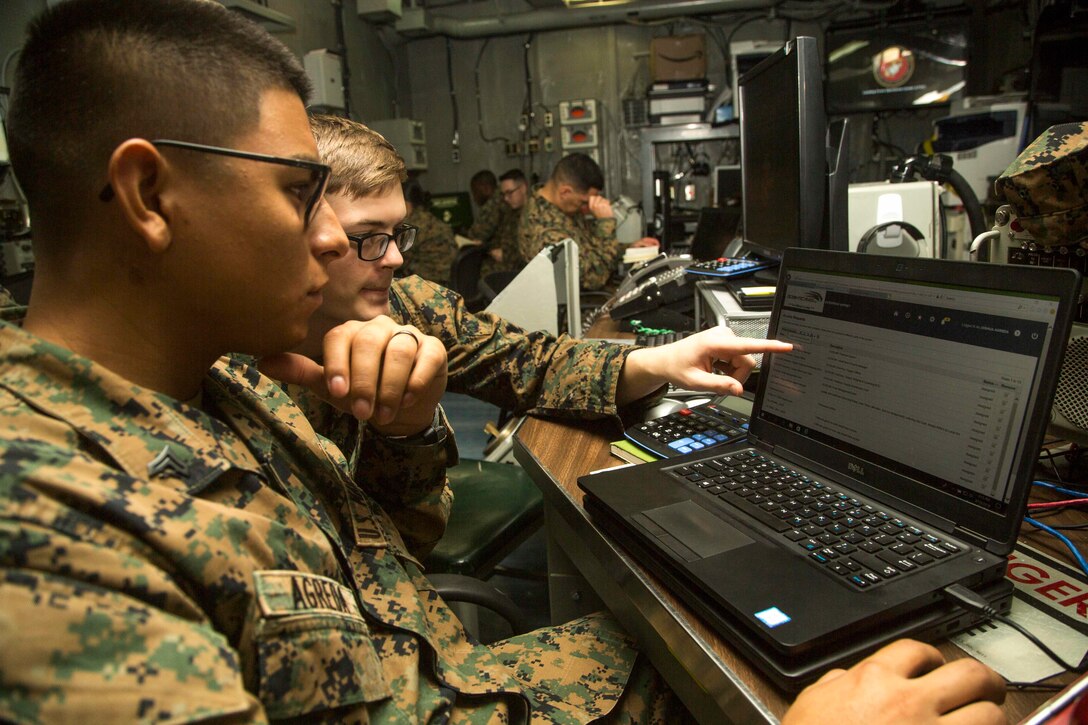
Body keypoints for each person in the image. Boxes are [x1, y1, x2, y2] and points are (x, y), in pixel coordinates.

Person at [0, 2, 1008, 722]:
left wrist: (399, 431)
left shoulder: (217, 380)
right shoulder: (41, 529)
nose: (331, 242)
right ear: (147, 194)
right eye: (300, 192)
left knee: (825, 641)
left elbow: (372, 572)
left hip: (456, 677)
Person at [296, 113, 794, 557]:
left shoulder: (409, 304)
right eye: (368, 237)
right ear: (306, 233)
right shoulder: (236, 370)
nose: (396, 258)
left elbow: (528, 361)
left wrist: (659, 362)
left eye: (397, 233)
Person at [518, 153, 658, 291]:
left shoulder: (560, 207)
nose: (586, 208)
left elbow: (590, 248)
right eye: (584, 202)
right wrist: (606, 223)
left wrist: (628, 248)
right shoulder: (545, 229)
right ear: (565, 192)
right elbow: (595, 278)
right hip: (578, 305)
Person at [400, 178, 456, 285]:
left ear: (405, 203)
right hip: (448, 283)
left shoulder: (410, 226)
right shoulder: (430, 218)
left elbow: (399, 261)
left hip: (426, 285)